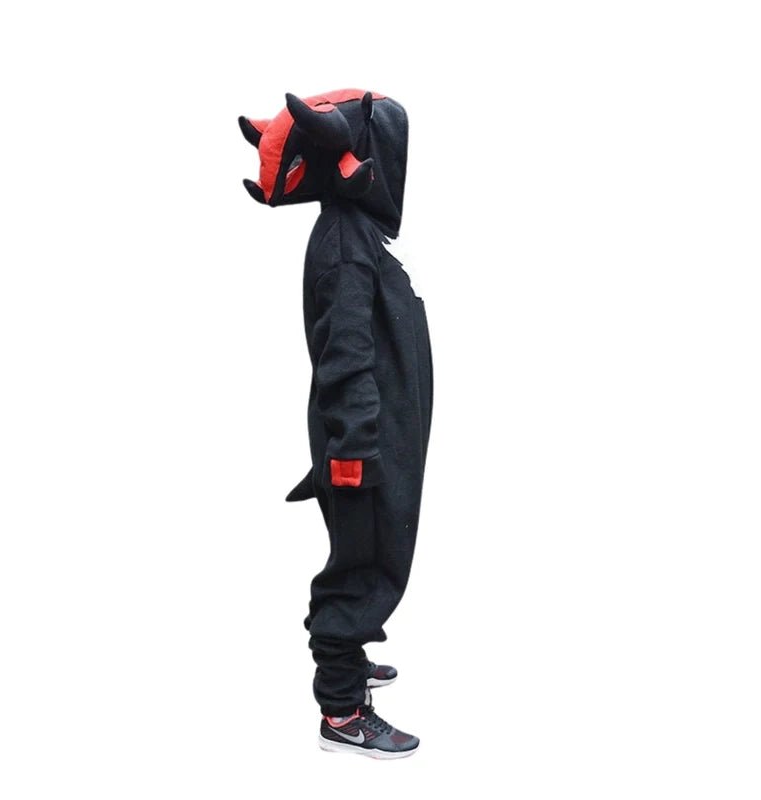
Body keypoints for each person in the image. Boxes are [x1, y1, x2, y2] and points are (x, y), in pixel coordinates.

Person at [238, 89, 433, 759]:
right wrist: (353, 451)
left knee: (369, 554)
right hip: (363, 446)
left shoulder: (354, 233)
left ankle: (349, 654)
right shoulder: (348, 244)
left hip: (374, 437)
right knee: (364, 566)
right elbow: (345, 355)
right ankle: (343, 710)